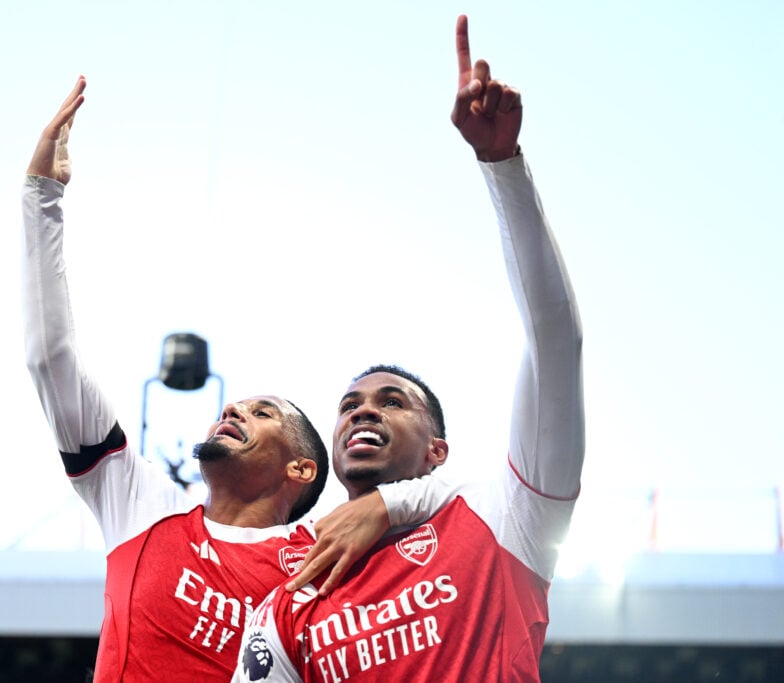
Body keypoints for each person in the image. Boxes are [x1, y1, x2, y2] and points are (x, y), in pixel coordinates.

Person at [22, 78, 444, 681]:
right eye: (238, 407)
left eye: (264, 412)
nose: (236, 412)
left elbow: (473, 506)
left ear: (300, 468)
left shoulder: (328, 560)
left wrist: (389, 501)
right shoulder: (140, 507)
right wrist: (41, 197)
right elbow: (49, 359)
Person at [232, 15, 585, 683]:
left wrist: (501, 166)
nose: (362, 412)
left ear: (436, 451)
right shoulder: (285, 606)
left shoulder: (504, 517)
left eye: (391, 402)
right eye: (349, 405)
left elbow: (555, 339)